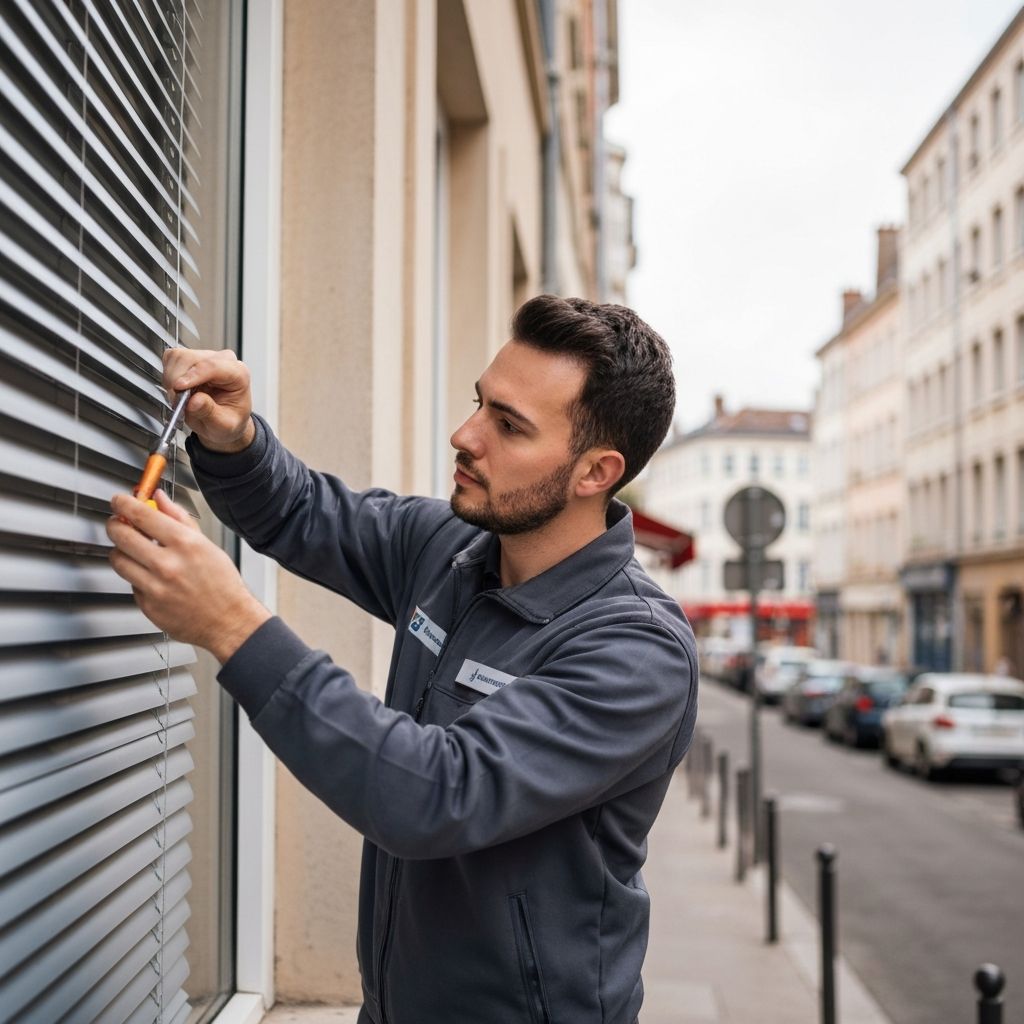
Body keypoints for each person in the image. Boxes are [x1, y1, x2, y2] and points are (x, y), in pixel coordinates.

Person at [107, 295, 698, 1024]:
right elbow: (304, 511)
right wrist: (235, 439)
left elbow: (436, 794)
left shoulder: (636, 651)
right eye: (480, 403)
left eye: (509, 425)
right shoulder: (452, 548)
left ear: (594, 472)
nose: (465, 435)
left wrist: (233, 626)